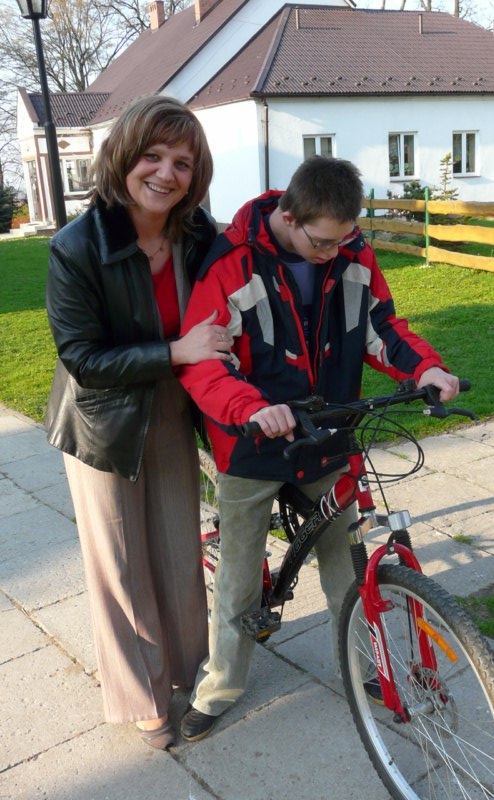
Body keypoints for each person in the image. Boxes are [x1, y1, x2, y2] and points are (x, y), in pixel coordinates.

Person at [177, 155, 460, 742]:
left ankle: (365, 665)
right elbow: (205, 362)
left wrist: (425, 369)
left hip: (328, 432)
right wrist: (250, 408)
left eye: (345, 239)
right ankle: (221, 685)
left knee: (345, 564)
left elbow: (384, 327)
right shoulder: (232, 262)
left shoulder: (351, 252)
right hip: (251, 443)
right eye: (323, 242)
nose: (334, 252)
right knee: (238, 578)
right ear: (288, 216)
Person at [45, 95, 232, 750]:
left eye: (182, 162)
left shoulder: (198, 233)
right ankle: (142, 695)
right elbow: (83, 358)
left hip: (174, 409)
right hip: (104, 421)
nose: (166, 173)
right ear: (124, 156)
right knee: (122, 563)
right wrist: (176, 351)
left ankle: (188, 667)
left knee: (179, 548)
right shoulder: (77, 246)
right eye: (152, 155)